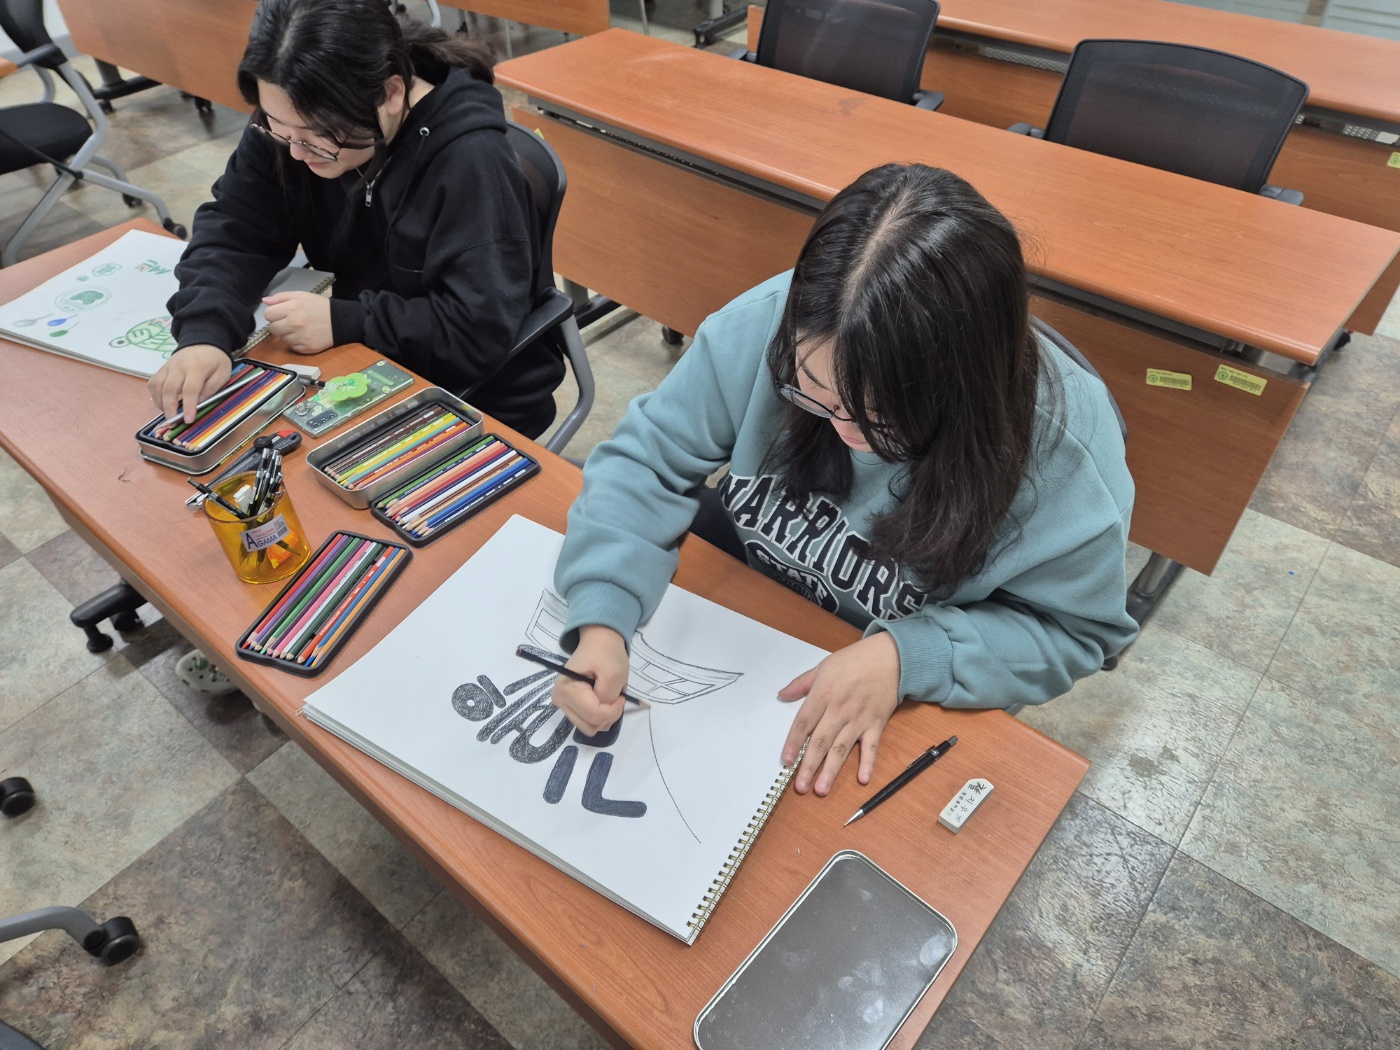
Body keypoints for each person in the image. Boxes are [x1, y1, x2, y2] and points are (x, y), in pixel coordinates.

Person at [549, 163, 1138, 800]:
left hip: (895, 688)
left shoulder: (1067, 456)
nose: (846, 432)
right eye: (816, 394)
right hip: (759, 624)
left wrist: (907, 657)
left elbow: (1075, 633)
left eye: (883, 417)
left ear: (966, 393)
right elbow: (647, 460)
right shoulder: (774, 321)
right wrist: (603, 617)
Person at [148, 0, 562, 438]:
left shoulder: (471, 160)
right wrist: (205, 332)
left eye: (318, 136)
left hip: (469, 393)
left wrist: (347, 321)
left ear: (391, 93)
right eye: (278, 126)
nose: (297, 152)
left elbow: (477, 330)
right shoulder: (296, 118)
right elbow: (237, 229)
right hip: (361, 362)